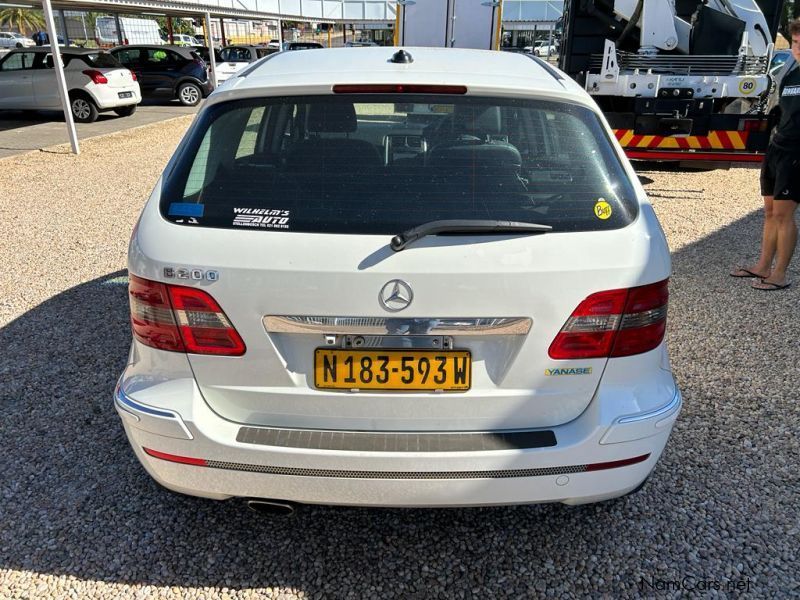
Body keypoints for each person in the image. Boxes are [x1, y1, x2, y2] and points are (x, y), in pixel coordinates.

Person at [731, 19, 800, 290]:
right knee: (770, 211)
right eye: (795, 43)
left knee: (784, 214)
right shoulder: (791, 74)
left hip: (797, 151)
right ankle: (762, 266)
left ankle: (780, 274)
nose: (798, 48)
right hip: (777, 147)